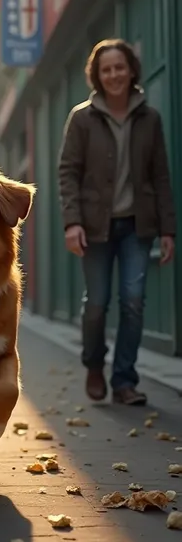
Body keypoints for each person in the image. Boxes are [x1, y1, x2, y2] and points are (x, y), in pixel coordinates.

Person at [58, 38, 176, 406]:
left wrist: (168, 229)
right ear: (97, 74)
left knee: (133, 301)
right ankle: (95, 364)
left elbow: (161, 177)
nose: (114, 75)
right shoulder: (82, 118)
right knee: (97, 303)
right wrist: (71, 222)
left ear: (131, 70)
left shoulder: (149, 118)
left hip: (136, 227)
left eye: (119, 67)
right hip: (94, 228)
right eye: (106, 69)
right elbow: (68, 173)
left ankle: (124, 380)